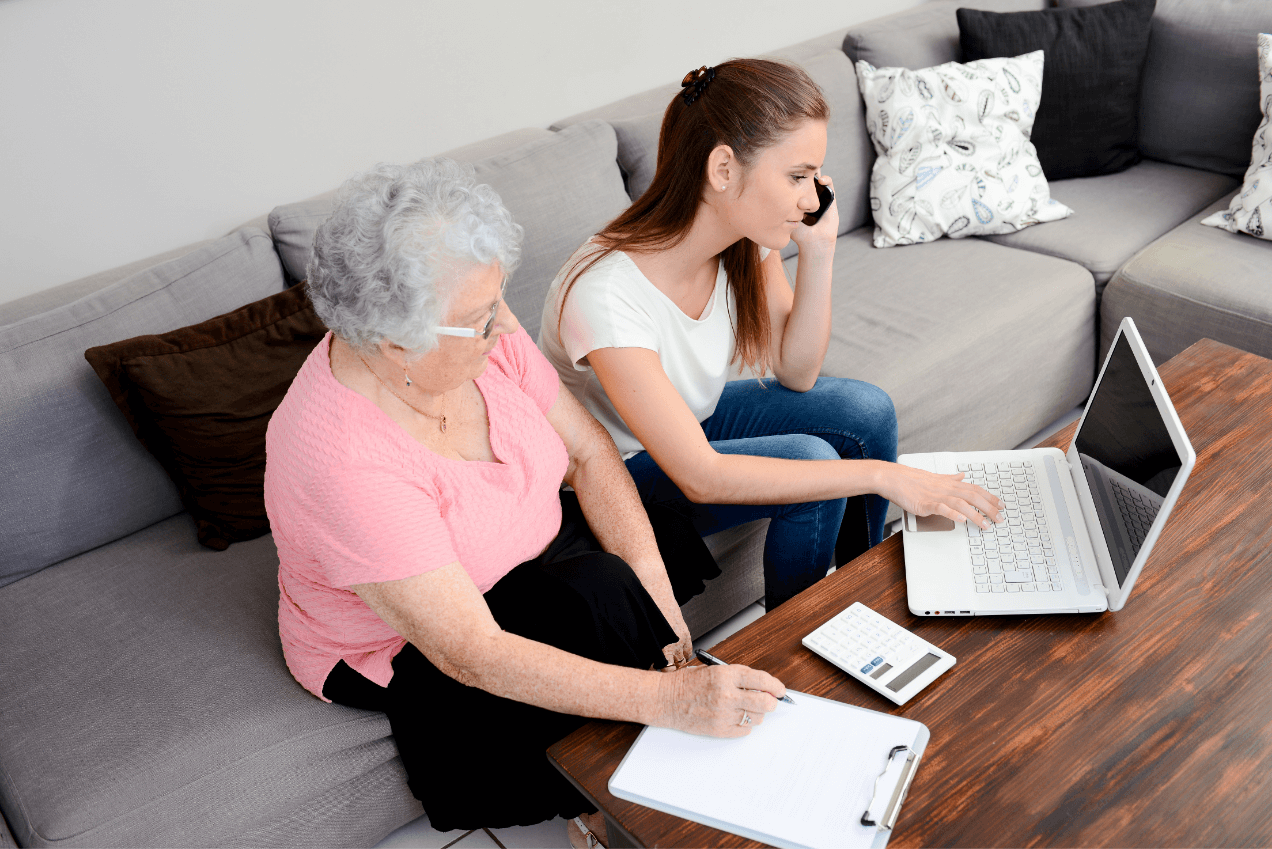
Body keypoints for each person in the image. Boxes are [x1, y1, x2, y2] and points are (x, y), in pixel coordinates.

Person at [263, 159, 787, 845]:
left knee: (635, 565)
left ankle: (658, 758)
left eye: (497, 301)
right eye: (481, 319)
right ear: (397, 346)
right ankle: (606, 808)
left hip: (518, 549)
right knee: (601, 598)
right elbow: (470, 651)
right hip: (409, 643)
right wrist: (673, 697)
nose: (505, 328)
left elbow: (590, 452)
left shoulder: (476, 334)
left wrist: (669, 630)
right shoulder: (340, 462)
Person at [540, 60, 1004, 611]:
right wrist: (887, 477)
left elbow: (797, 370)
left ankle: (862, 593)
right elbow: (699, 476)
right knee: (814, 460)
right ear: (723, 170)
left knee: (866, 410)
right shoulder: (606, 294)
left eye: (815, 178)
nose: (812, 200)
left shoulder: (742, 235)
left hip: (690, 424)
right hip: (617, 478)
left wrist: (819, 250)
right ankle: (800, 640)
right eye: (797, 176)